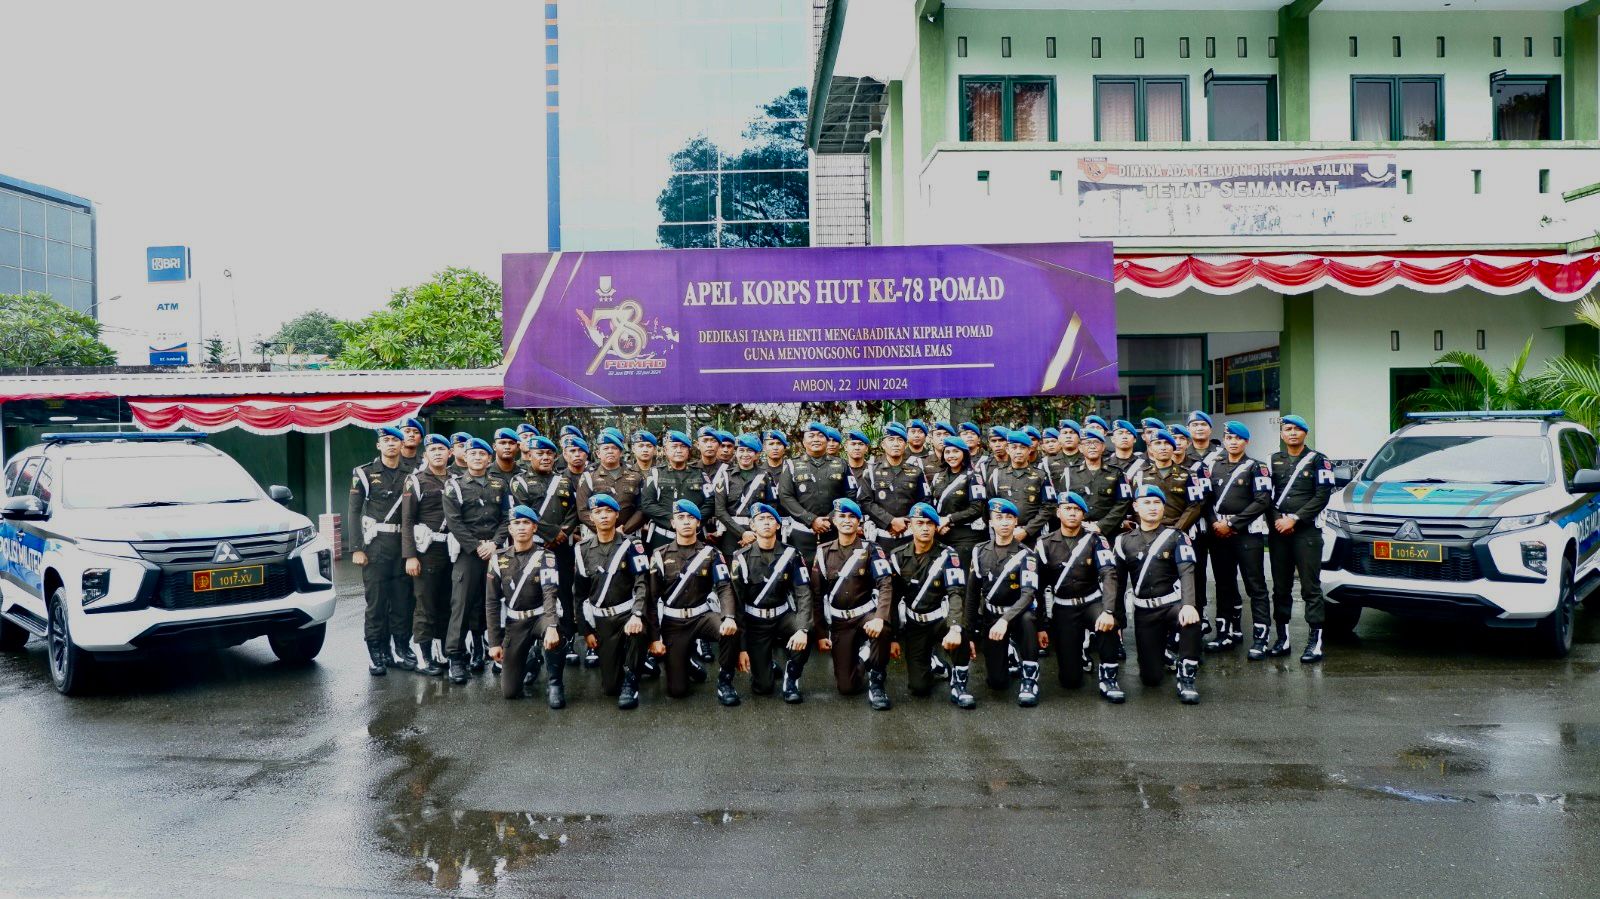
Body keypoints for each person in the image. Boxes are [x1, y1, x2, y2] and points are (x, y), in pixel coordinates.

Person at [1111, 485, 1202, 704]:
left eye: (1157, 503)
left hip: (1171, 606)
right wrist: (1117, 619)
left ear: (1163, 507)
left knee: (1190, 620)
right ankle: (1163, 654)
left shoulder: (1177, 537)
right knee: (1151, 679)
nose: (1152, 507)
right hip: (1144, 611)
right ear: (1135, 507)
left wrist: (1189, 604)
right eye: (1146, 502)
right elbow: (1118, 583)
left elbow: (1187, 571)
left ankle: (1187, 677)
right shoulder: (1123, 541)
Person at [646, 499, 741, 706]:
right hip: (673, 621)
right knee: (677, 691)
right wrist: (655, 638)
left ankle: (725, 681)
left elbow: (724, 587)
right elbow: (651, 599)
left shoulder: (711, 553)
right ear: (673, 523)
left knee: (730, 631)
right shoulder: (659, 555)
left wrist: (728, 617)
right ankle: (685, 660)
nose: (686, 522)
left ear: (699, 523)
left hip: (702, 617)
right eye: (681, 518)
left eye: (692, 518)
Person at [1034, 491, 1123, 703]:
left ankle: (1109, 678)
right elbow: (1037, 587)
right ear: (1058, 513)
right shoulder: (1044, 543)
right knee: (1070, 680)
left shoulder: (1096, 540)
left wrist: (1109, 611)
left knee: (1107, 624)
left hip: (1091, 602)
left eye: (1077, 510)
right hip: (1063, 607)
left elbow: (1109, 574)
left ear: (1083, 514)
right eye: (1068, 509)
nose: (1072, 514)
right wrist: (1041, 625)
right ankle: (1078, 658)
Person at [441, 437, 513, 683]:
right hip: (468, 553)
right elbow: (454, 522)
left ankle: (495, 652)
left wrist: (495, 543)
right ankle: (456, 658)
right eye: (472, 454)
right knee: (461, 605)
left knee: (496, 603)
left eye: (482, 455)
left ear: (489, 458)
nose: (477, 458)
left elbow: (507, 517)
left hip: (495, 551)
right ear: (465, 457)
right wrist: (476, 547)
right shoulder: (455, 486)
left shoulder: (499, 484)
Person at [811, 498, 894, 710]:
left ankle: (877, 681)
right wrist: (821, 634)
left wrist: (879, 618)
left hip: (866, 616)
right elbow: (817, 596)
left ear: (859, 522)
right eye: (842, 517)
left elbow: (885, 584)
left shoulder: (872, 549)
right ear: (834, 521)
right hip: (840, 622)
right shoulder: (822, 552)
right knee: (847, 687)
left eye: (852, 517)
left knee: (883, 629)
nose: (847, 521)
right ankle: (866, 655)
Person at [890, 503, 974, 708]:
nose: (925, 528)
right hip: (914, 625)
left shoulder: (949, 556)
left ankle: (960, 684)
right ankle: (936, 663)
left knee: (959, 632)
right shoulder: (897, 556)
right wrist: (892, 637)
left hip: (939, 619)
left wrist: (955, 627)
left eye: (930, 523)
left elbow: (956, 593)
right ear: (910, 526)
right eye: (920, 523)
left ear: (936, 527)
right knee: (919, 688)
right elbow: (891, 598)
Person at [1267, 414, 1336, 663]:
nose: (1293, 433)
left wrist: (1294, 519)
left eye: (1298, 429)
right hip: (1279, 532)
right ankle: (1282, 638)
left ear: (1305, 433)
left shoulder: (1319, 460)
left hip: (1306, 532)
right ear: (1282, 434)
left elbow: (1322, 495)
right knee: (1281, 587)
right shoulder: (1272, 460)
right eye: (1288, 429)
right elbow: (1267, 495)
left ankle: (1315, 642)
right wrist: (1278, 520)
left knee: (1310, 587)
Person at [572, 493, 651, 709]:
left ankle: (632, 678)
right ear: (591, 517)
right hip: (602, 620)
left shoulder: (632, 545)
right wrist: (586, 630)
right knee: (609, 688)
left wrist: (637, 614)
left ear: (617, 515)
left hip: (627, 614)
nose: (604, 516)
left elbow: (642, 583)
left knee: (638, 631)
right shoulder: (581, 549)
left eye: (608, 512)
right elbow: (580, 594)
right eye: (598, 512)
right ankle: (635, 663)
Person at [729, 503, 813, 703]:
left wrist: (802, 629)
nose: (766, 523)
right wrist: (741, 649)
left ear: (777, 525)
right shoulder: (740, 558)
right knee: (763, 688)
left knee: (805, 630)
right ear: (752, 526)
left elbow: (803, 594)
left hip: (783, 617)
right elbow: (737, 604)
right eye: (761, 520)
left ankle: (791, 679)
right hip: (755, 622)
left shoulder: (792, 555)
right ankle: (766, 664)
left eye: (770, 519)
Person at [347, 425, 414, 675]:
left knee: (401, 602)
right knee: (376, 604)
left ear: (401, 444)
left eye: (395, 440)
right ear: (379, 445)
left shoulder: (411, 473)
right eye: (386, 440)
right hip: (375, 547)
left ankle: (401, 649)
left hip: (402, 546)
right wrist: (356, 548)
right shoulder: (364, 473)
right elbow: (354, 511)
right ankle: (377, 652)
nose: (391, 444)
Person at [511, 435, 579, 671]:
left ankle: (568, 640)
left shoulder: (564, 481)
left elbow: (574, 510)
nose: (545, 457)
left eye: (549, 454)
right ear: (529, 455)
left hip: (561, 547)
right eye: (540, 453)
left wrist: (565, 532)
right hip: (534, 546)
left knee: (564, 594)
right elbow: (525, 513)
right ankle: (533, 644)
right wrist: (552, 533)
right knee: (533, 594)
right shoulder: (519, 482)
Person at [1204, 421, 1274, 654]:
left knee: (1255, 586)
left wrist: (1232, 523)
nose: (1233, 442)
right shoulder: (1214, 467)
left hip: (1247, 535)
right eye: (1229, 438)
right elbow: (1206, 500)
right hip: (1219, 533)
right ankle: (1224, 634)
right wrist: (1215, 522)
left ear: (1246, 442)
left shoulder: (1257, 467)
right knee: (1224, 584)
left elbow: (1262, 500)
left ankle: (1260, 638)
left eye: (1238, 438)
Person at [484, 505, 564, 706]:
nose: (521, 527)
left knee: (554, 633)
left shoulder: (546, 556)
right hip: (515, 622)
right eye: (516, 523)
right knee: (510, 692)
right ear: (509, 529)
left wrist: (552, 626)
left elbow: (550, 593)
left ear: (534, 528)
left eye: (526, 523)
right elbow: (492, 602)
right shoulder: (498, 558)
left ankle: (555, 684)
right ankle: (533, 659)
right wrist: (494, 642)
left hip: (540, 617)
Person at [968, 498, 1043, 706]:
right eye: (998, 518)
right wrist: (969, 632)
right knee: (997, 683)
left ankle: (1029, 678)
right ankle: (1009, 653)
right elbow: (972, 595)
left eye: (1009, 518)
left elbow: (1028, 594)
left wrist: (1005, 620)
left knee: (1029, 619)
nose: (1004, 522)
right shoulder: (979, 551)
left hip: (1017, 615)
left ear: (1016, 522)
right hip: (991, 615)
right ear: (990, 522)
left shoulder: (1026, 555)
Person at [400, 433, 455, 676]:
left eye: (442, 449)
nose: (438, 453)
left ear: (450, 453)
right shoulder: (416, 480)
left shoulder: (457, 479)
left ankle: (440, 651)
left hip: (450, 550)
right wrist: (410, 556)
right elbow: (408, 520)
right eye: (432, 449)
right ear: (425, 455)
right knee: (425, 604)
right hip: (426, 551)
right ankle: (423, 658)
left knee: (445, 602)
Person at [777, 422, 860, 562]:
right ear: (804, 442)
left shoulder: (841, 464)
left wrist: (831, 518)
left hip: (834, 532)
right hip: (802, 534)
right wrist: (811, 519)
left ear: (827, 441)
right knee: (803, 574)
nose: (816, 439)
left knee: (834, 573)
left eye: (821, 435)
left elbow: (851, 494)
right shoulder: (791, 465)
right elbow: (785, 496)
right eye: (811, 436)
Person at [861, 422, 930, 552]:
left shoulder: (916, 472)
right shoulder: (871, 471)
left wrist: (907, 522)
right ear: (883, 444)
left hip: (910, 535)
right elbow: (865, 502)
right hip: (881, 536)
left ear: (905, 444)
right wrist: (890, 521)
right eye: (891, 439)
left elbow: (925, 501)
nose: (896, 443)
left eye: (900, 440)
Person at [641, 430, 713, 551]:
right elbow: (647, 504)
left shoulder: (700, 474)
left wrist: (694, 520)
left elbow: (710, 502)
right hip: (663, 537)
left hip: (694, 537)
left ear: (688, 451)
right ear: (665, 450)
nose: (679, 450)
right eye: (674, 446)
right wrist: (673, 521)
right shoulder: (655, 474)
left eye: (683, 447)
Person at [712, 434, 777, 561]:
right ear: (736, 453)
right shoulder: (725, 476)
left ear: (757, 455)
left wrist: (757, 532)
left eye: (750, 450)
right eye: (741, 450)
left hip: (758, 533)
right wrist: (742, 533)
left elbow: (772, 506)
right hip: (730, 534)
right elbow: (720, 510)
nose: (745, 454)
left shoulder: (765, 476)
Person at [575, 430, 646, 541]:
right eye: (606, 448)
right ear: (598, 453)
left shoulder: (636, 476)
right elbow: (583, 511)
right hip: (597, 537)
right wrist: (605, 530)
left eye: (614, 448)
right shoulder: (589, 478)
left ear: (621, 452)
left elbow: (642, 508)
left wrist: (625, 530)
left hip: (628, 535)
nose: (610, 451)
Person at [986, 430, 1054, 544]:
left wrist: (1027, 530)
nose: (1018, 451)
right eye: (1014, 447)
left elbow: (1049, 507)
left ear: (1029, 450)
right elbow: (989, 505)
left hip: (1034, 535)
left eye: (1022, 448)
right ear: (1007, 449)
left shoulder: (1041, 476)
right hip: (1004, 535)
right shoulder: (997, 475)